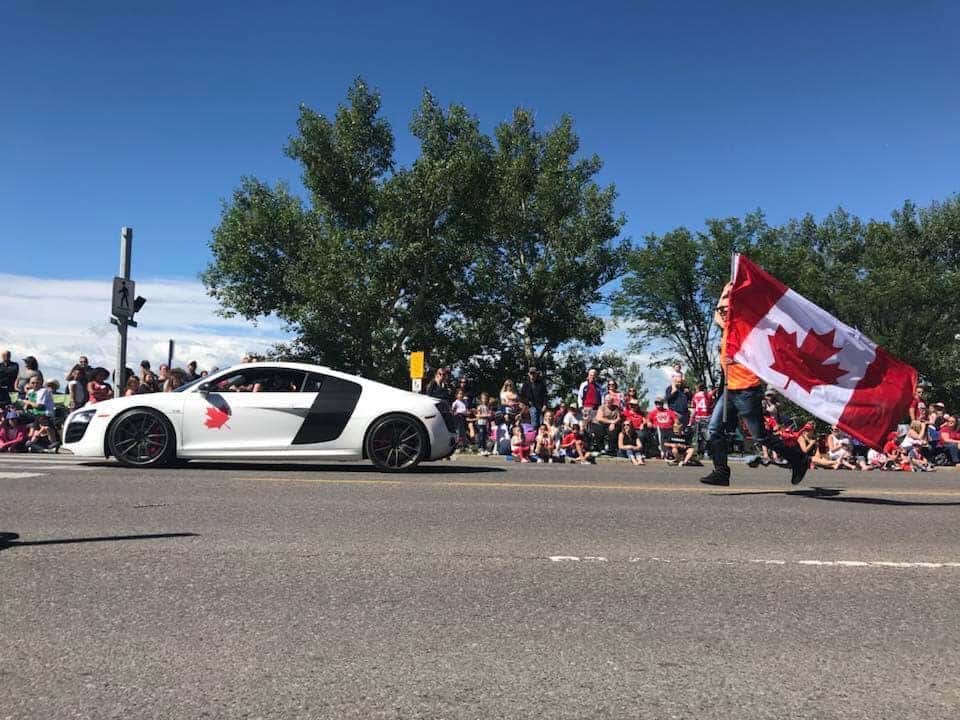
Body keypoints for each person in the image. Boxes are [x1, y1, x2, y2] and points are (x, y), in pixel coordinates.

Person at [701, 282, 808, 486]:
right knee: (714, 429)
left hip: (747, 389)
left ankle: (798, 459)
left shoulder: (746, 329)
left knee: (760, 436)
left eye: (725, 309)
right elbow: (716, 315)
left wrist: (736, 358)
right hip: (729, 390)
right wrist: (724, 291)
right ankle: (721, 471)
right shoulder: (727, 327)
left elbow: (760, 352)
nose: (721, 312)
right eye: (720, 309)